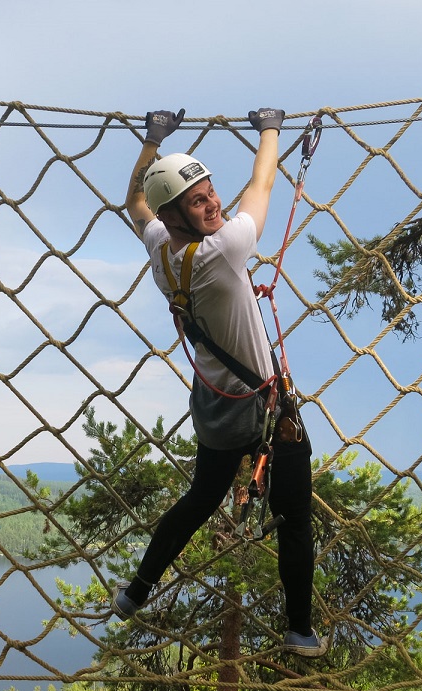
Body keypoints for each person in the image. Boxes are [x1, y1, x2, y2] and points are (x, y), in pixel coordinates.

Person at [112, 107, 327, 657]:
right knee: (294, 516)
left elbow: (135, 200)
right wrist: (270, 128)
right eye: (199, 201)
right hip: (260, 406)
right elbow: (263, 182)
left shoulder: (160, 246)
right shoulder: (223, 250)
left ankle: (137, 590)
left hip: (212, 403)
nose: (214, 205)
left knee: (200, 500)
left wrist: (152, 141)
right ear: (178, 215)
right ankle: (299, 629)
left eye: (211, 193)